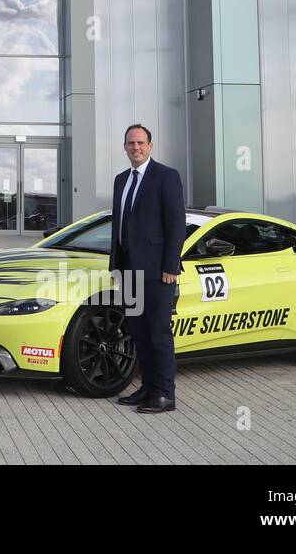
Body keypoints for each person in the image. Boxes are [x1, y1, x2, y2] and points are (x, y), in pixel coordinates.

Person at [108, 124, 185, 414]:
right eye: (131, 143)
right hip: (128, 270)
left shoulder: (166, 176)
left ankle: (165, 394)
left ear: (150, 146)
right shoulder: (121, 180)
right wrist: (116, 266)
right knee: (138, 332)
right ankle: (148, 388)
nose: (136, 148)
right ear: (124, 146)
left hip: (157, 271)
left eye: (141, 143)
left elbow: (176, 224)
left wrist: (170, 265)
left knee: (158, 333)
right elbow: (119, 226)